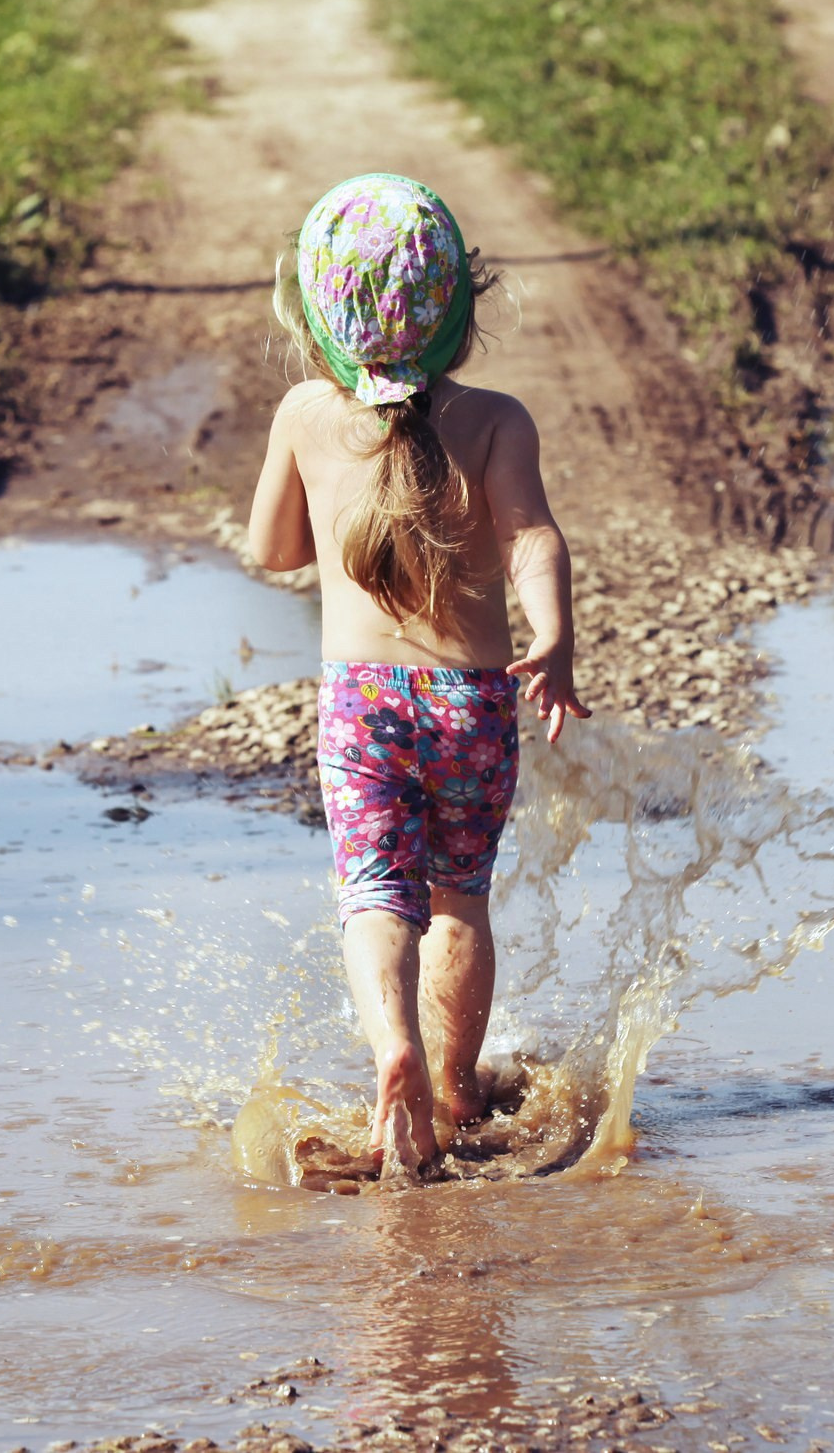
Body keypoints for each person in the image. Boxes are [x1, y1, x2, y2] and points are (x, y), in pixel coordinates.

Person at [246, 173, 590, 1178]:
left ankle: (391, 1052)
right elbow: (533, 539)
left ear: (319, 314)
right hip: (471, 702)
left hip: (362, 705)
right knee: (458, 901)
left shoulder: (308, 413)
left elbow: (272, 552)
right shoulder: (495, 421)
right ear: (461, 312)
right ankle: (449, 1091)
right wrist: (555, 634)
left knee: (373, 897)